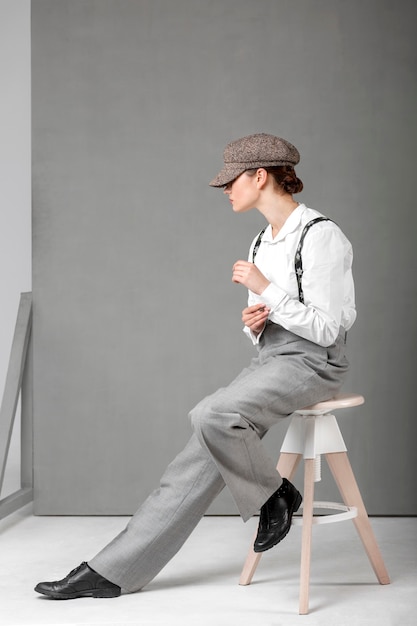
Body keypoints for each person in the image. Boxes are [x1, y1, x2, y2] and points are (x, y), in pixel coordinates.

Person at [35, 133, 356, 599]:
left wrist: (267, 290)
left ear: (260, 176)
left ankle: (275, 496)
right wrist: (255, 321)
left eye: (232, 180)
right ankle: (113, 570)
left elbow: (328, 330)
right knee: (193, 460)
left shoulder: (321, 235)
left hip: (315, 364)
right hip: (272, 357)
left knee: (211, 414)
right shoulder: (260, 240)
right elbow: (271, 317)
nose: (226, 189)